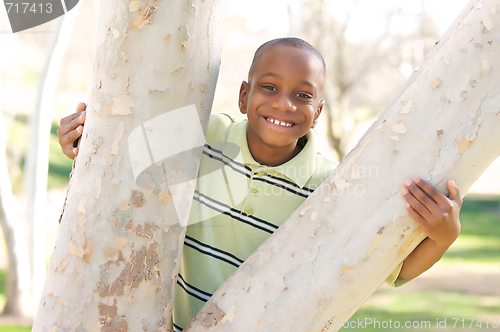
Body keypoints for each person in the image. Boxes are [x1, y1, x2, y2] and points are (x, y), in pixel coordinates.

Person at [57, 38, 462, 331]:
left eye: (302, 95)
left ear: (318, 112)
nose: (284, 104)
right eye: (269, 87)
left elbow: (388, 268)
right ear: (243, 95)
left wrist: (442, 237)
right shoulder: (202, 132)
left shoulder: (330, 186)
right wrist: (81, 141)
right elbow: (124, 153)